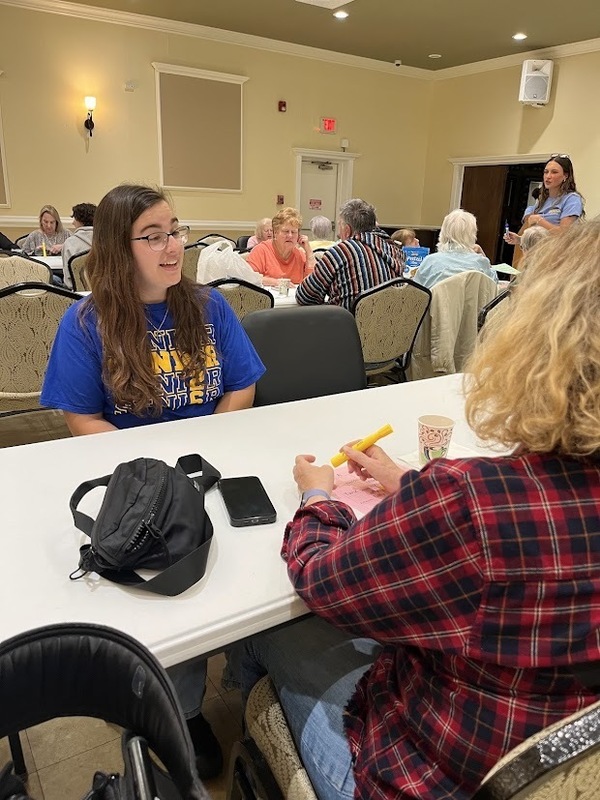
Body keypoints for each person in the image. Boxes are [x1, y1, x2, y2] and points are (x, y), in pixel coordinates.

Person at [234, 217, 600, 800]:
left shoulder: (474, 502)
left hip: (430, 775)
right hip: (550, 763)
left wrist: (316, 495)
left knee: (270, 627)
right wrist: (412, 484)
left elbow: (320, 581)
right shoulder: (479, 501)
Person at [40, 184, 266, 779]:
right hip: (142, 488)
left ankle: (252, 680)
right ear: (120, 247)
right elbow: (80, 417)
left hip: (211, 465)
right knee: (175, 581)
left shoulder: (209, 306)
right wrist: (153, 471)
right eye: (154, 236)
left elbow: (241, 386)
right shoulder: (88, 320)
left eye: (176, 230)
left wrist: (213, 440)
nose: (173, 246)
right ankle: (183, 708)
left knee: (258, 557)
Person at [295, 198, 405, 310]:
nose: (338, 233)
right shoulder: (394, 250)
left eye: (339, 226)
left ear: (347, 230)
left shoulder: (341, 252)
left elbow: (305, 296)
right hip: (391, 324)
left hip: (348, 325)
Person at [505, 155, 584, 250]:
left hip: (556, 255)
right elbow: (539, 232)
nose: (548, 176)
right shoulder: (542, 200)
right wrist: (519, 240)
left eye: (554, 172)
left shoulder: (572, 199)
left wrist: (539, 220)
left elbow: (564, 234)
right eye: (546, 172)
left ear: (565, 176)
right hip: (537, 253)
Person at [414, 208, 497, 290]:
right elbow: (494, 287)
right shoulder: (481, 263)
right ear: (472, 235)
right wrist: (482, 254)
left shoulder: (430, 262)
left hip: (439, 303)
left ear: (443, 233)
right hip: (473, 304)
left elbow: (415, 291)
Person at [247, 207, 315, 286]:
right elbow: (248, 277)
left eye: (294, 232)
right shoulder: (261, 251)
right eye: (286, 231)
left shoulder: (300, 255)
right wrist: (278, 283)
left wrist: (308, 251)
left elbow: (313, 282)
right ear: (275, 233)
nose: (290, 235)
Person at [61, 202, 97, 287]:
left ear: (80, 221)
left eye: (74, 219)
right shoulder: (107, 240)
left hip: (77, 295)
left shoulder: (70, 243)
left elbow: (68, 280)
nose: (73, 223)